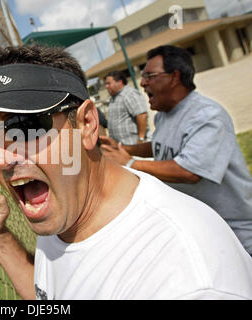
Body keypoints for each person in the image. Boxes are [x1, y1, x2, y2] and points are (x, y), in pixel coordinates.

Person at [0, 44, 252, 300]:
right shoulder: (67, 210)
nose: (1, 157)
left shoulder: (184, 277)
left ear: (87, 124)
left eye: (26, 125)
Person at [101, 45, 252, 256]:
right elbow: (160, 147)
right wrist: (121, 148)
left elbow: (190, 171)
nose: (143, 83)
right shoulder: (164, 115)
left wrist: (129, 163)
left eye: (149, 76)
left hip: (235, 233)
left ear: (174, 77)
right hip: (202, 230)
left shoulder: (207, 115)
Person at [104, 71, 149, 145]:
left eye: (109, 83)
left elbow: (142, 115)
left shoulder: (129, 94)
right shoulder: (113, 98)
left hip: (134, 145)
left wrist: (141, 138)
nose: (106, 86)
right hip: (121, 147)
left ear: (120, 82)